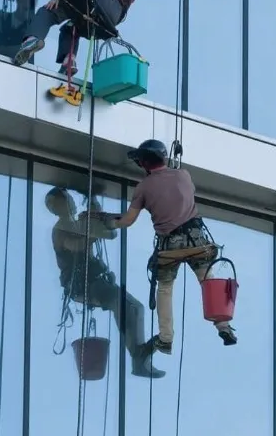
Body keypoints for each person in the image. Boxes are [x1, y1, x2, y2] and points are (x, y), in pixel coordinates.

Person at [94, 139, 237, 356]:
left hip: (170, 246)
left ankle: (166, 338)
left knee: (165, 288)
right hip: (197, 239)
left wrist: (105, 220)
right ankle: (223, 326)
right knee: (208, 282)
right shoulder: (184, 175)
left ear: (143, 163)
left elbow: (127, 220)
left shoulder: (143, 188)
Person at [46, 186, 165, 379]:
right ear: (56, 207)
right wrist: (94, 233)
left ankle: (140, 356)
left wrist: (93, 206)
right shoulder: (60, 230)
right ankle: (138, 356)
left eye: (68, 199)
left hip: (95, 281)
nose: (70, 202)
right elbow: (75, 245)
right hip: (82, 285)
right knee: (125, 304)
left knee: (136, 307)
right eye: (64, 200)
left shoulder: (76, 225)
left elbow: (92, 226)